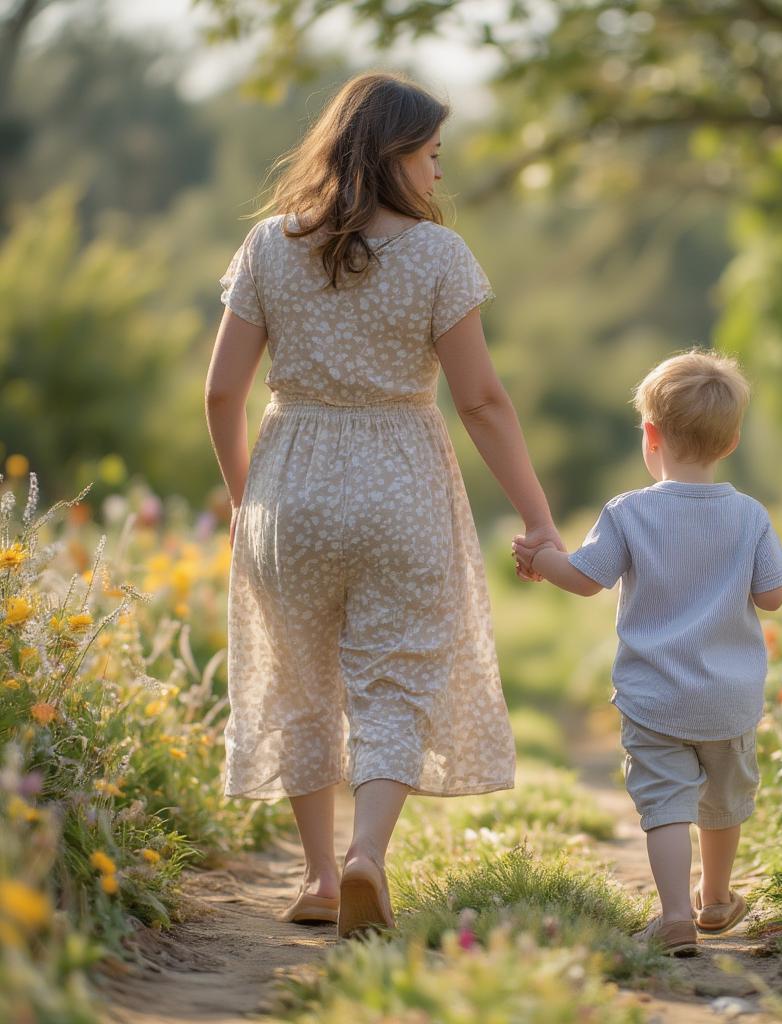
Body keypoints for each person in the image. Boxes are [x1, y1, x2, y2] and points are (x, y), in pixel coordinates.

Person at [205, 71, 560, 939]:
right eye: (432, 156)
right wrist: (538, 516)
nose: (439, 175)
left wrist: (250, 500)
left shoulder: (266, 247)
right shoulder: (439, 257)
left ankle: (321, 877)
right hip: (401, 482)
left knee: (300, 682)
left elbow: (220, 394)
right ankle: (369, 853)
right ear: (392, 154)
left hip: (291, 486)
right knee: (393, 682)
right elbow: (481, 401)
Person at [513, 348, 782, 956]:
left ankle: (673, 915)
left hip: (654, 696)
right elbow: (772, 597)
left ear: (651, 435)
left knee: (665, 803)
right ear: (732, 441)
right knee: (722, 801)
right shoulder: (749, 515)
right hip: (729, 696)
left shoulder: (627, 511)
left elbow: (587, 578)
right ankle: (715, 898)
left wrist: (541, 560)